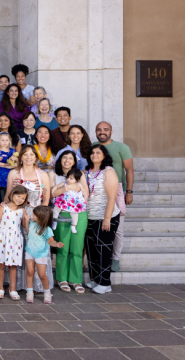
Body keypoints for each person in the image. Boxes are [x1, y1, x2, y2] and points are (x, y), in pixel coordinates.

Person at [6, 146, 53, 292]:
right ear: (20, 157)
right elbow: (8, 195)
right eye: (25, 154)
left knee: (36, 247)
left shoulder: (43, 175)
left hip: (36, 216)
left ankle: (39, 285)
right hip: (17, 215)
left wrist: (40, 218)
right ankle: (19, 283)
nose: (28, 157)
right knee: (19, 246)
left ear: (36, 157)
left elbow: (46, 199)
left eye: (31, 154)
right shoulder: (13, 173)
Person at [95, 121, 134, 273]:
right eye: (99, 130)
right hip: (98, 192)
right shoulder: (94, 146)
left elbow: (129, 170)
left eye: (105, 129)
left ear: (111, 131)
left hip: (118, 192)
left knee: (117, 229)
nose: (102, 132)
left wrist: (129, 192)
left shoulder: (121, 147)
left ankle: (115, 258)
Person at [52, 151, 89, 294]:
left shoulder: (80, 174)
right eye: (64, 158)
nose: (67, 160)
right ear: (60, 160)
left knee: (77, 247)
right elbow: (53, 194)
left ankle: (76, 279)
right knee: (63, 247)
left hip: (79, 213)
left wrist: (76, 193)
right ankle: (61, 278)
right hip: (62, 213)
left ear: (74, 161)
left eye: (70, 158)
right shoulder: (54, 175)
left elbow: (85, 192)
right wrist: (67, 187)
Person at [0, 186, 28, 300]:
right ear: (12, 194)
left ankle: (13, 289)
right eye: (18, 196)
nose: (20, 199)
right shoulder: (3, 208)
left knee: (13, 266)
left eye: (23, 198)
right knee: (1, 265)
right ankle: (0, 288)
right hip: (3, 239)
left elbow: (24, 226)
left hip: (15, 240)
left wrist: (26, 220)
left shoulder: (22, 210)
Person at [24, 206, 64, 304]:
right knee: (30, 272)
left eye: (34, 214)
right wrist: (26, 220)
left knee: (42, 275)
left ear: (41, 217)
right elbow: (28, 231)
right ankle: (29, 292)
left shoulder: (47, 229)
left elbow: (51, 241)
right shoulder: (32, 224)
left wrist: (57, 244)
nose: (32, 215)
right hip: (29, 252)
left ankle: (47, 293)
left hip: (41, 254)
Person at [51, 167, 86, 234]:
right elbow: (56, 187)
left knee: (75, 214)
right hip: (63, 200)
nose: (68, 179)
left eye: (71, 178)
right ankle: (54, 222)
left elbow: (84, 192)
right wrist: (53, 190)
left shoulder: (79, 185)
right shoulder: (64, 183)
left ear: (77, 180)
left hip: (73, 202)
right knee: (56, 209)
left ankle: (73, 226)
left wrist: (85, 200)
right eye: (67, 177)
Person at [0, 132, 18, 207]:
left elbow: (17, 160)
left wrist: (14, 158)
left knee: (12, 182)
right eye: (2, 140)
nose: (5, 142)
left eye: (6, 140)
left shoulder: (12, 151)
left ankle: (10, 201)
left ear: (9, 141)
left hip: (8, 170)